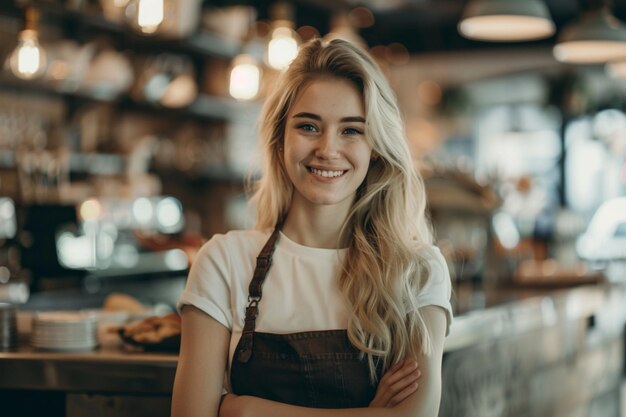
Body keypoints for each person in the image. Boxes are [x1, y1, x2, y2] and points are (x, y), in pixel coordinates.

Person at [172, 38, 452, 417]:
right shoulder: (224, 262)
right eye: (308, 126)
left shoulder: (416, 269)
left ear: (376, 148)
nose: (327, 149)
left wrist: (247, 412)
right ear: (280, 139)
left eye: (351, 130)